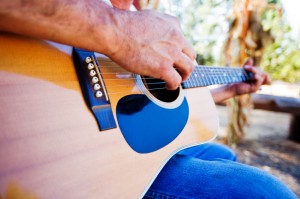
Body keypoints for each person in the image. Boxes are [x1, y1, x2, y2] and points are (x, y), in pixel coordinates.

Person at [0, 0, 297, 198]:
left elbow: (133, 94)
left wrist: (230, 89)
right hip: (51, 154)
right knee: (263, 192)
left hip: (101, 141)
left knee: (223, 155)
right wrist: (115, 29)